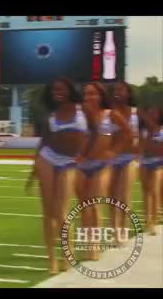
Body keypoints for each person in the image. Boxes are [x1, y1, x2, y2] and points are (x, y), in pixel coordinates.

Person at [26, 78, 96, 274]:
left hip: (69, 162)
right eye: (54, 89)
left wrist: (84, 155)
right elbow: (44, 143)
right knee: (48, 213)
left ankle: (68, 256)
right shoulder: (51, 115)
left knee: (63, 213)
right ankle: (52, 261)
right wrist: (34, 170)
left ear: (70, 90)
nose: (57, 92)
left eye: (61, 88)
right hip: (48, 160)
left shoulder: (83, 110)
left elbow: (96, 132)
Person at [75, 82, 131, 260]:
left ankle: (95, 246)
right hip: (81, 166)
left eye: (92, 94)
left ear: (100, 96)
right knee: (84, 206)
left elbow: (128, 133)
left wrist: (113, 151)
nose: (88, 97)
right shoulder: (80, 115)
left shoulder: (110, 114)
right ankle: (88, 243)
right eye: (86, 94)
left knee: (95, 204)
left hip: (102, 166)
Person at [108, 82, 140, 234]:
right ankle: (114, 229)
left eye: (121, 89)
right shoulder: (110, 113)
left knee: (125, 195)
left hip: (129, 158)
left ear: (128, 93)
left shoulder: (136, 113)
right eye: (115, 90)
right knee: (112, 197)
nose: (117, 92)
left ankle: (124, 229)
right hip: (113, 159)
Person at [137, 107, 163, 236]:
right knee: (146, 192)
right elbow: (141, 146)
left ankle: (153, 221)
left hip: (158, 164)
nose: (152, 114)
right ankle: (148, 221)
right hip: (145, 162)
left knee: (154, 191)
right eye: (150, 112)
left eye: (154, 112)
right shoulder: (143, 130)